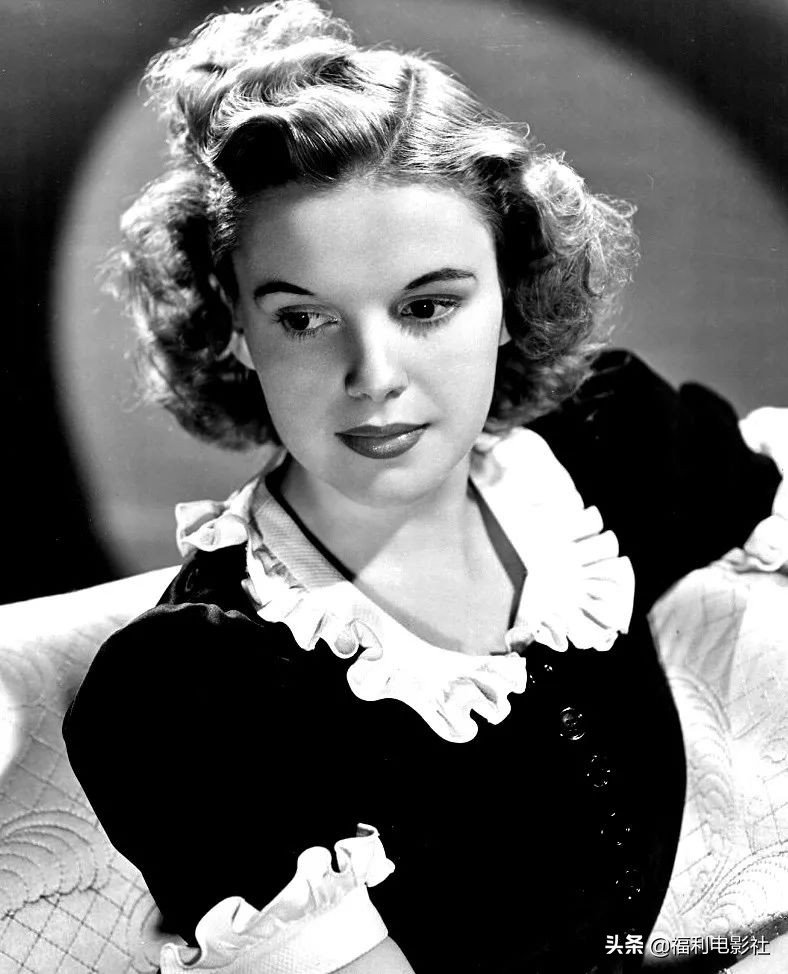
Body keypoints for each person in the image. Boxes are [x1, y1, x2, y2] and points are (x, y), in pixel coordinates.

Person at [62, 2, 788, 972]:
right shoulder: (189, 692)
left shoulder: (604, 442)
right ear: (234, 323)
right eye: (304, 319)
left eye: (427, 306)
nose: (374, 377)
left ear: (508, 297)